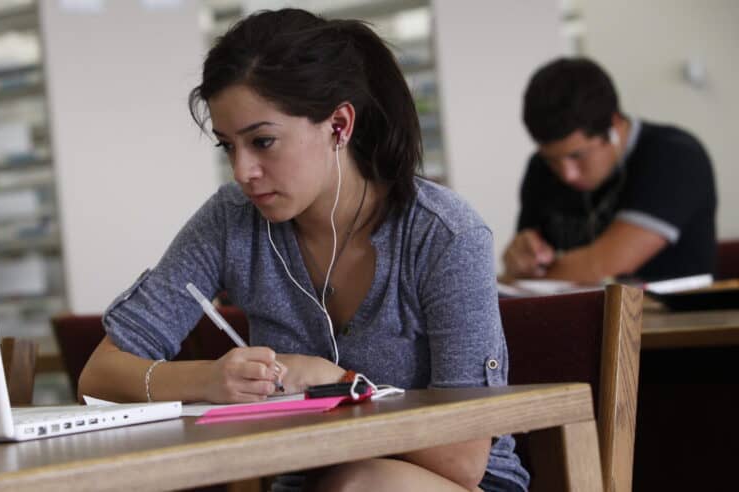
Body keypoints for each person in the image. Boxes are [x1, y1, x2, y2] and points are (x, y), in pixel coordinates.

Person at [79, 8, 528, 492]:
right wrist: (208, 381)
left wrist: (339, 385)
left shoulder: (444, 236)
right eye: (228, 147)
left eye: (263, 141)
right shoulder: (232, 220)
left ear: (338, 125)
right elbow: (100, 375)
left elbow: (461, 458)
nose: (242, 171)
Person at [503, 57, 717, 284]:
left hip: (682, 318)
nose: (567, 174)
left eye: (577, 155)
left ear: (613, 125)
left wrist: (526, 279)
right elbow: (524, 264)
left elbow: (601, 267)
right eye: (552, 159)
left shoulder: (676, 156)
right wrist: (518, 259)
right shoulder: (539, 167)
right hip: (579, 315)